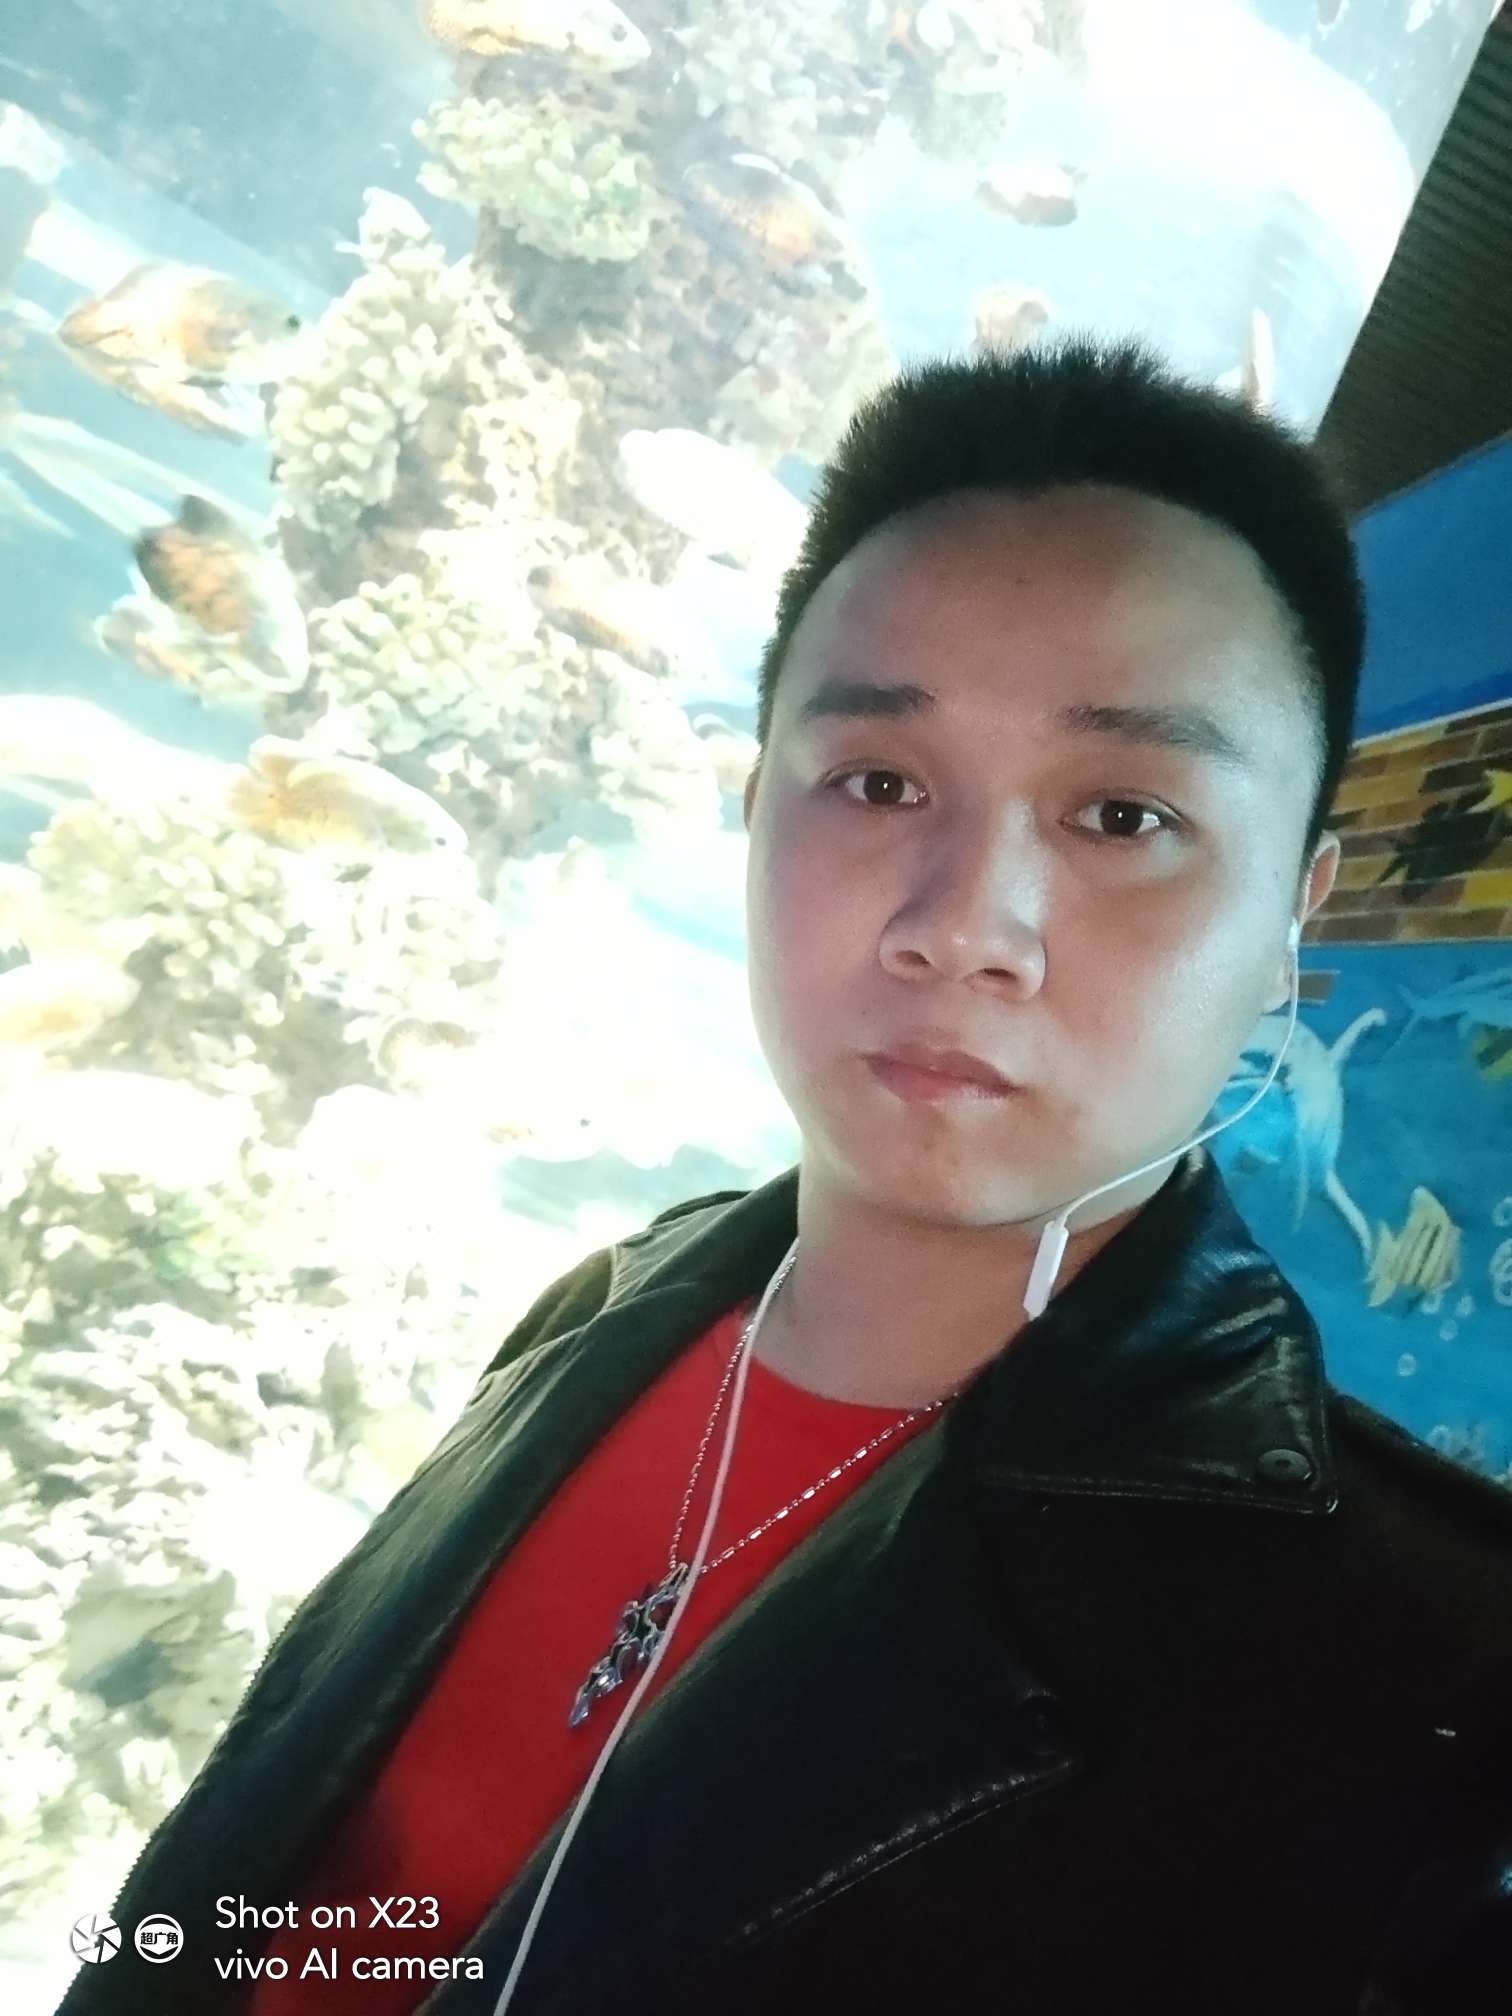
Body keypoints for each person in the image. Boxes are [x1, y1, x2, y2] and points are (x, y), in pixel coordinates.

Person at [57, 335, 1512, 2016]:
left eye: (1124, 816)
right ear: (756, 812)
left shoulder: (1433, 1683)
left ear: (1291, 918)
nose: (964, 925)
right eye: (879, 783)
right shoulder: (604, 1307)